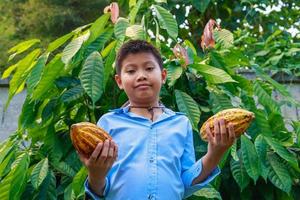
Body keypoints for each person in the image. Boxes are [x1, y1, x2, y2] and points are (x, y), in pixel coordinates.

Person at [78, 40, 236, 200]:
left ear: (163, 76)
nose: (141, 76)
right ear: (119, 82)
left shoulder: (181, 123)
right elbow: (99, 190)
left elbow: (185, 183)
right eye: (131, 71)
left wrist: (215, 154)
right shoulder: (108, 123)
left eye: (149, 68)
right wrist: (95, 175)